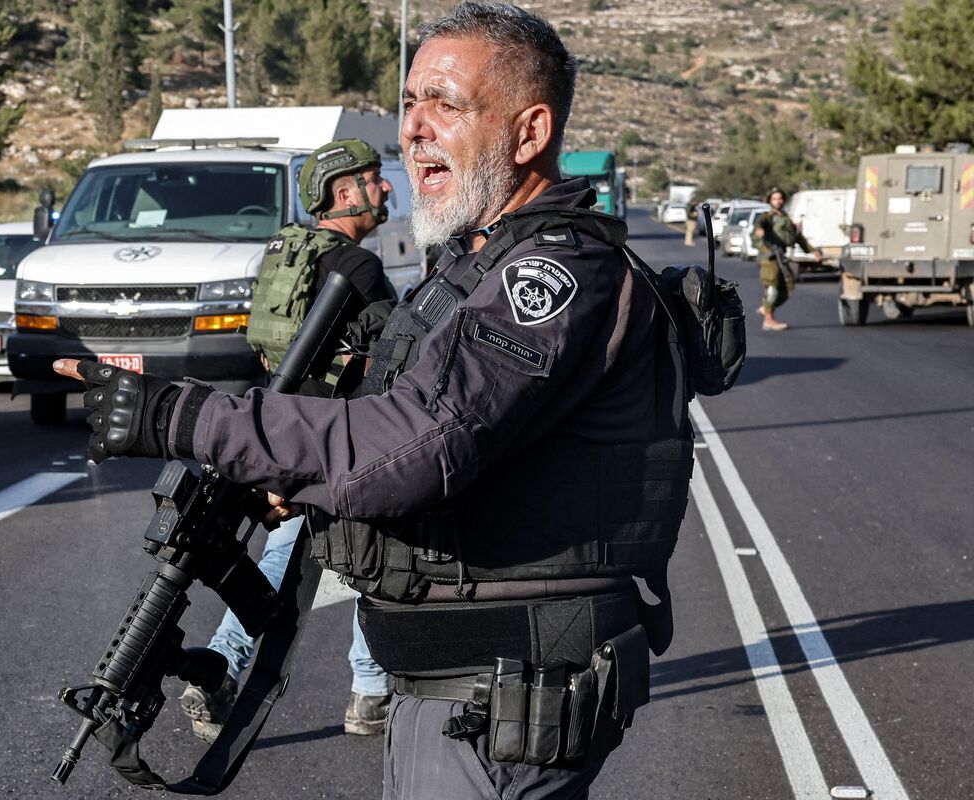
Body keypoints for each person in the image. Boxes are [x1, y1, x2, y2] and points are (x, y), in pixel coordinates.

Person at [56, 3, 693, 798]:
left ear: (529, 134)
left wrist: (176, 416)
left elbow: (417, 445)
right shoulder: (470, 262)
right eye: (409, 103)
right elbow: (403, 424)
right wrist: (300, 472)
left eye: (447, 105)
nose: (415, 130)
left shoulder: (552, 274)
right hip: (458, 687)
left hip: (502, 691)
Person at [178, 139, 397, 743]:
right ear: (344, 193)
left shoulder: (288, 254)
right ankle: (371, 693)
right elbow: (395, 358)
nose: (384, 189)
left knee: (277, 558)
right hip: (343, 435)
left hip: (282, 423)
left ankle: (220, 670)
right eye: (374, 180)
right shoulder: (359, 267)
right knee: (378, 557)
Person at [752, 187, 821, 331]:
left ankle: (767, 308)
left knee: (787, 286)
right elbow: (760, 223)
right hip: (769, 256)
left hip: (781, 256)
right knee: (772, 287)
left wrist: (813, 251)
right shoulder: (767, 216)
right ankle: (769, 319)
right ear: (770, 200)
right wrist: (760, 230)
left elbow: (798, 238)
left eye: (780, 198)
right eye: (775, 199)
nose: (778, 201)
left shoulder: (785, 217)